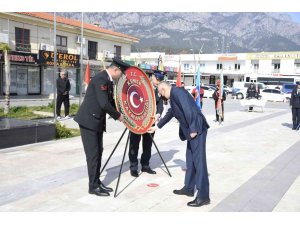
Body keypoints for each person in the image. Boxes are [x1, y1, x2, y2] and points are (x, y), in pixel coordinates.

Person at [148, 81, 210, 207]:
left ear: (163, 89)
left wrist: (193, 129)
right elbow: (171, 113)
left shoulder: (178, 92)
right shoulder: (174, 95)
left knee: (199, 162)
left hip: (197, 129)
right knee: (190, 160)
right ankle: (188, 188)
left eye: (160, 94)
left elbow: (189, 109)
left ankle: (203, 196)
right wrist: (157, 127)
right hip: (192, 132)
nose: (162, 97)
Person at [74, 58, 129, 197]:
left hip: (96, 122)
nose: (121, 77)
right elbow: (104, 104)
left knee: (99, 152)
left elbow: (110, 101)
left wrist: (123, 111)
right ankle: (92, 186)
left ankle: (97, 182)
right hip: (88, 122)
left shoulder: (108, 80)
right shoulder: (101, 79)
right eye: (121, 74)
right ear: (115, 70)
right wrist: (119, 116)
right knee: (93, 155)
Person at [128, 69, 164, 177]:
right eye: (157, 79)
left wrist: (158, 114)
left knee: (148, 145)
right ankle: (133, 167)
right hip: (137, 121)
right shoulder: (142, 85)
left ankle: (145, 165)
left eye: (160, 80)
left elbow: (160, 105)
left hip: (150, 122)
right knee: (134, 145)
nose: (158, 81)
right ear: (152, 77)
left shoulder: (158, 90)